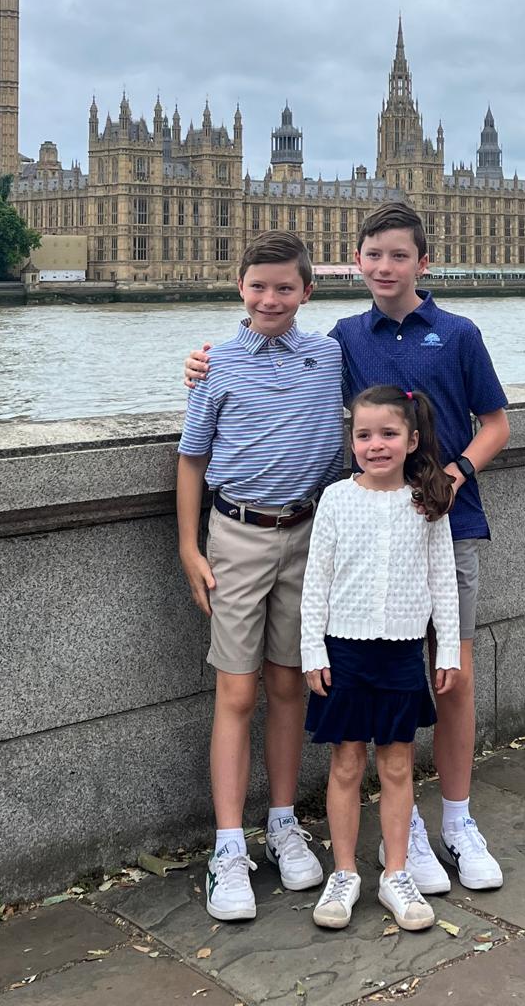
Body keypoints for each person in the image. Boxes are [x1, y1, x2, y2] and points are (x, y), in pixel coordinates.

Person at [185, 200, 510, 892]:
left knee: (452, 676)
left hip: (449, 522)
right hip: (364, 534)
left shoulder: (458, 333)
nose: (386, 266)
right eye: (374, 255)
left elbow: (497, 424)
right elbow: (277, 381)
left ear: (424, 262)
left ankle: (457, 821)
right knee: (378, 678)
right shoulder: (341, 341)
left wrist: (452, 476)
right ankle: (404, 828)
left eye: (400, 255)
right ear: (355, 261)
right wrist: (202, 366)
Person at [176, 230, 344, 923]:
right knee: (237, 691)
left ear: (307, 292)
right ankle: (227, 845)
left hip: (308, 536)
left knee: (288, 684)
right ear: (238, 287)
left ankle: (281, 822)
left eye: (284, 288)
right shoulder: (214, 364)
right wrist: (189, 548)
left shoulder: (330, 357)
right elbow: (191, 457)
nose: (270, 299)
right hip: (238, 536)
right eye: (258, 287)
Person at [303, 386, 461, 932]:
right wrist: (312, 650)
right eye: (364, 435)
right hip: (344, 652)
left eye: (388, 434)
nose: (376, 445)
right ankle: (344, 872)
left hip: (402, 653)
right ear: (351, 441)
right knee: (346, 762)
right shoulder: (335, 499)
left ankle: (396, 872)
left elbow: (443, 582)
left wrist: (448, 649)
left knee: (396, 764)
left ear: (411, 440)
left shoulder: (427, 503)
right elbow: (316, 582)